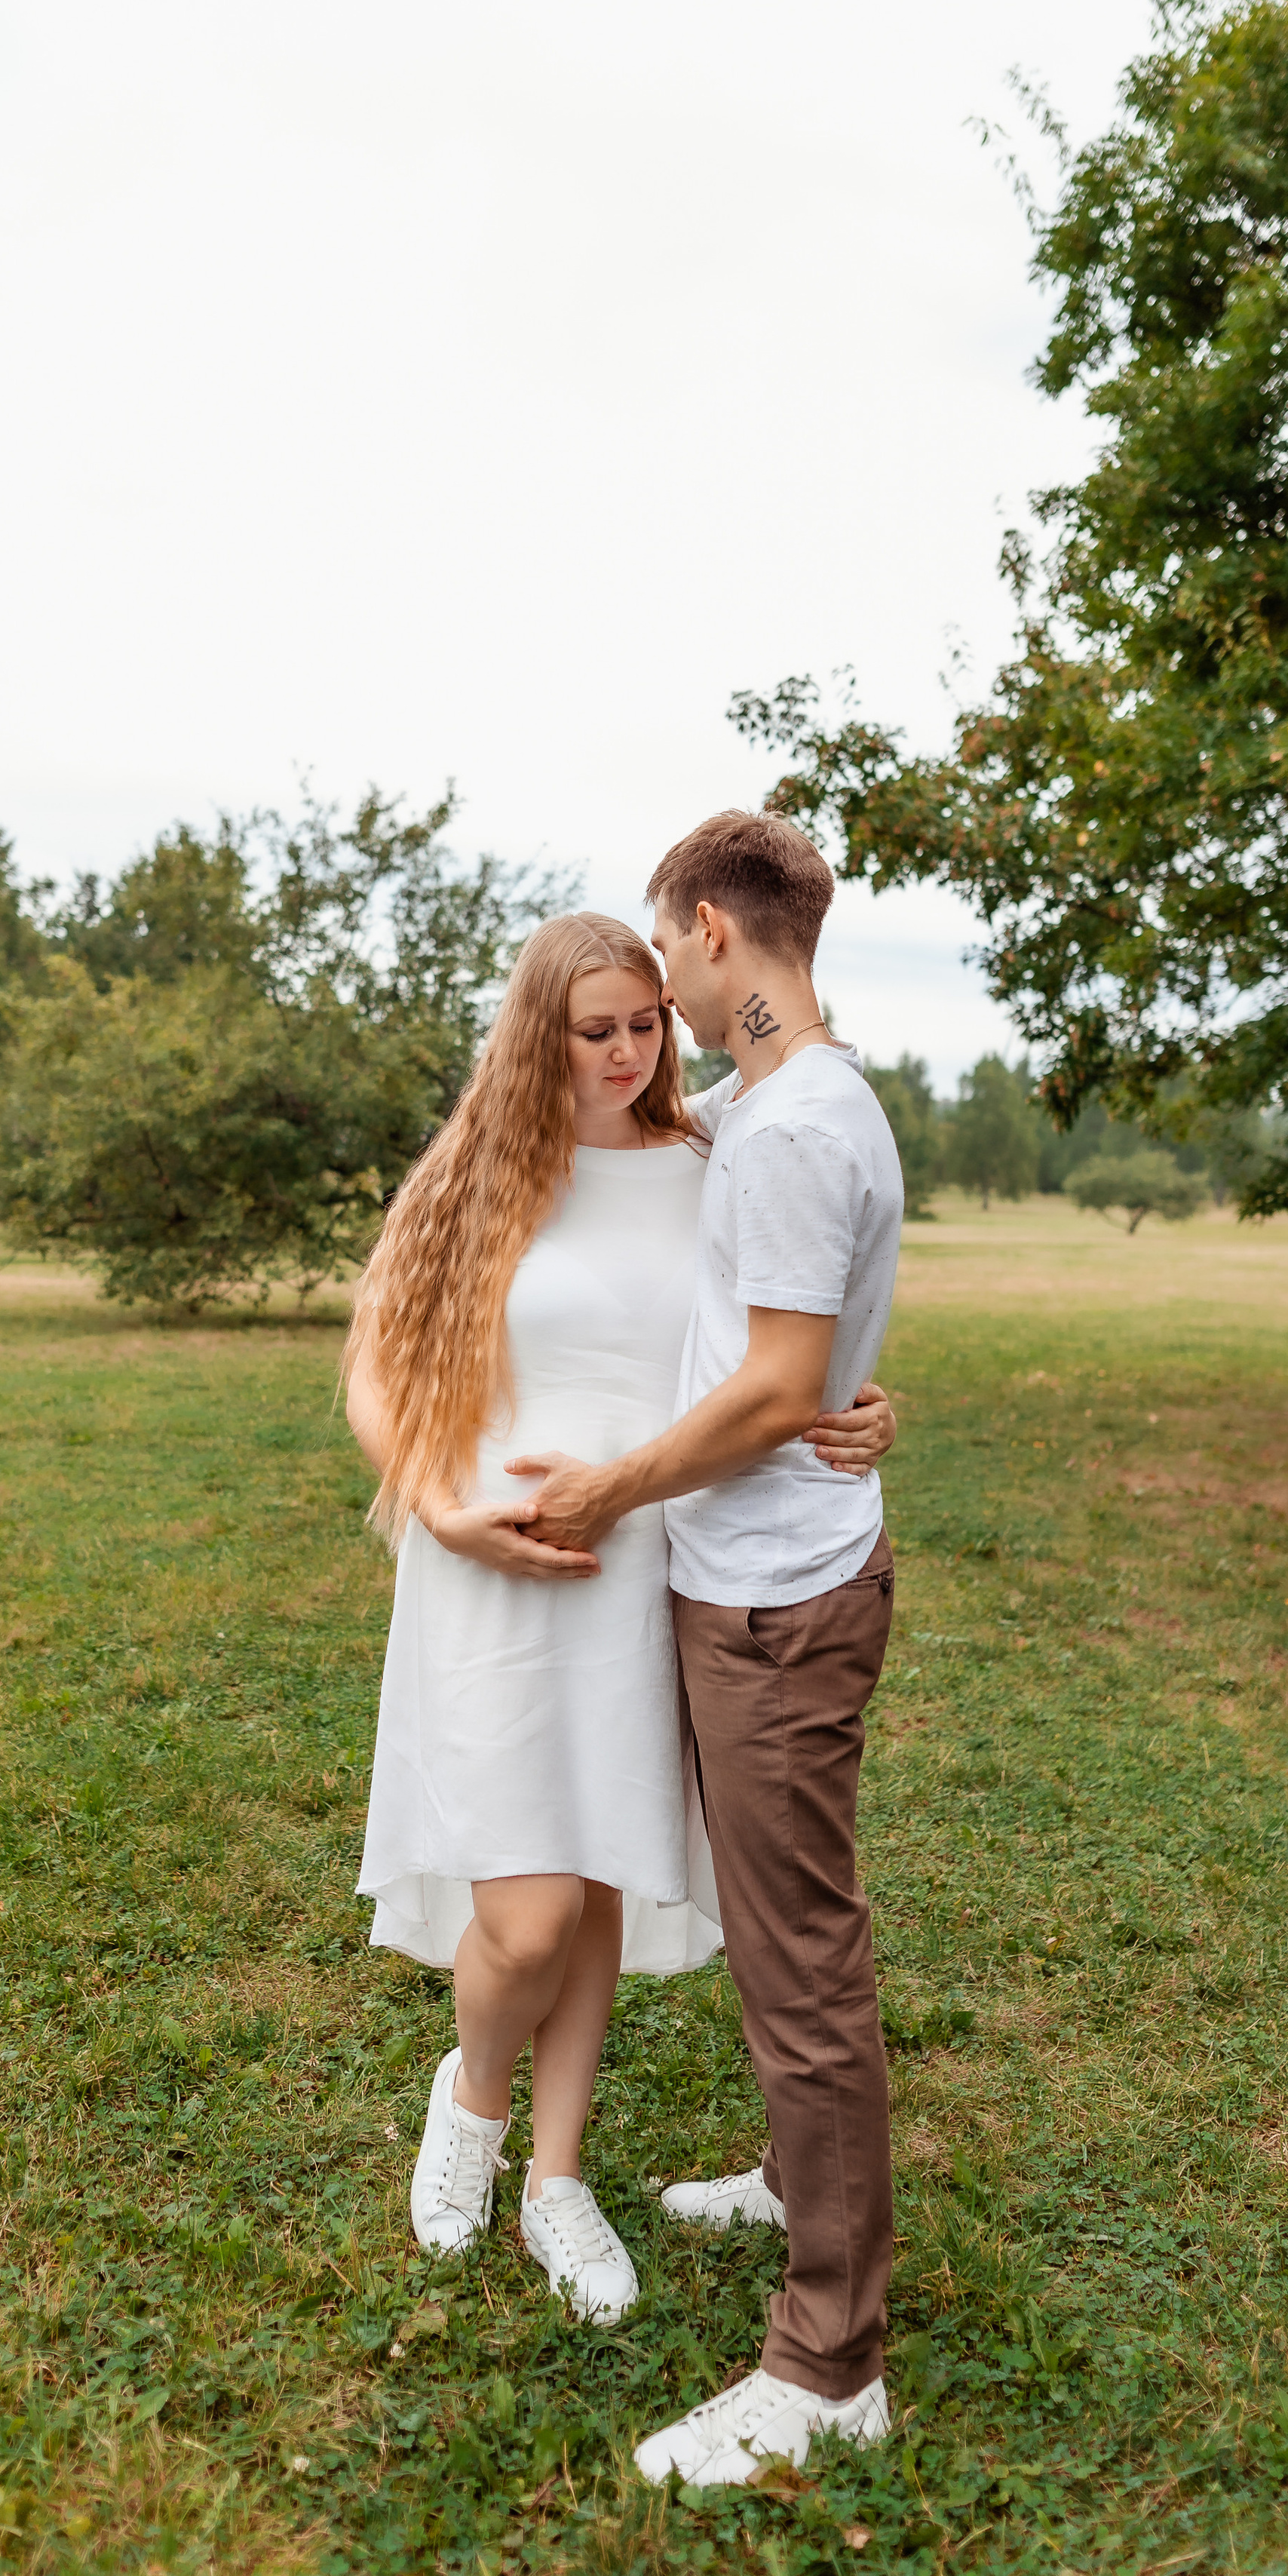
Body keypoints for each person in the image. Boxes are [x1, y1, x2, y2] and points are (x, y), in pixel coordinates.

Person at [342, 911, 895, 2326]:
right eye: (597, 1032)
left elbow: (776, 1336)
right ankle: (469, 2107)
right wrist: (432, 1503)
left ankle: (558, 2179)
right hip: (487, 1566)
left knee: (594, 1877)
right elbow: (375, 1367)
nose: (630, 1052)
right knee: (522, 1919)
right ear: (541, 1034)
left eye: (646, 1023)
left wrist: (852, 1405)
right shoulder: (476, 1171)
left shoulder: (713, 1157)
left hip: (642, 1561)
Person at [509, 814, 904, 2486]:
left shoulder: (796, 1126)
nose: (658, 991)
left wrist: (611, 1481)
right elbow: (787, 1354)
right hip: (747, 1574)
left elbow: (764, 1386)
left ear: (706, 932)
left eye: (667, 958)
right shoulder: (774, 1108)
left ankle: (826, 2366)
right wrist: (840, 1398)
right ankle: (785, 2174)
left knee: (800, 1960)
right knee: (773, 1924)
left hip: (770, 1603)